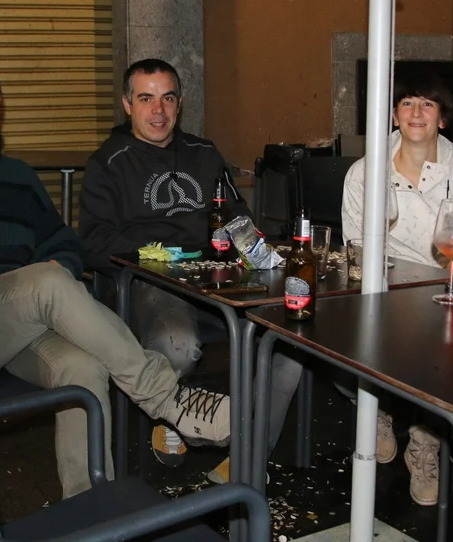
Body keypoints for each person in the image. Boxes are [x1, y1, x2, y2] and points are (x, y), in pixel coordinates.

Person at [0, 53, 229, 510]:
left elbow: (63, 241)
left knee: (84, 369)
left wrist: (57, 270)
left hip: (19, 324)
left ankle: (90, 511)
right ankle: (167, 399)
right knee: (47, 282)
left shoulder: (18, 176)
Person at [80, 57, 302, 484]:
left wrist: (262, 257)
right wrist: (157, 255)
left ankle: (249, 457)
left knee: (291, 342)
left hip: (219, 276)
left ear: (179, 104)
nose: (158, 110)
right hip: (149, 281)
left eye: (167, 99)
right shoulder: (108, 162)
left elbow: (238, 219)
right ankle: (172, 413)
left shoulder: (204, 153)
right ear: (127, 104)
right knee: (178, 344)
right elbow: (92, 243)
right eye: (145, 99)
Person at [341, 69, 453, 505]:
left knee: (449, 342)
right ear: (393, 115)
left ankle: (426, 441)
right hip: (385, 286)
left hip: (448, 287)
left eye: (428, 103)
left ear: (443, 117)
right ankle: (379, 410)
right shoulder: (365, 172)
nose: (416, 112)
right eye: (407, 102)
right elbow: (357, 247)